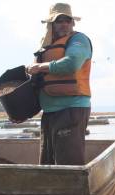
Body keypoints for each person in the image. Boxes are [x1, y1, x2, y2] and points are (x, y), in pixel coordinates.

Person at [26, 3, 93, 165]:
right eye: (59, 21)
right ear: (51, 24)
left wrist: (40, 67)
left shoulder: (78, 39)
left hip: (71, 109)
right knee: (47, 162)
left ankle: (74, 191)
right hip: (49, 112)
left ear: (73, 23)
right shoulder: (46, 45)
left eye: (67, 21)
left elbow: (72, 63)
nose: (64, 24)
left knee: (69, 163)